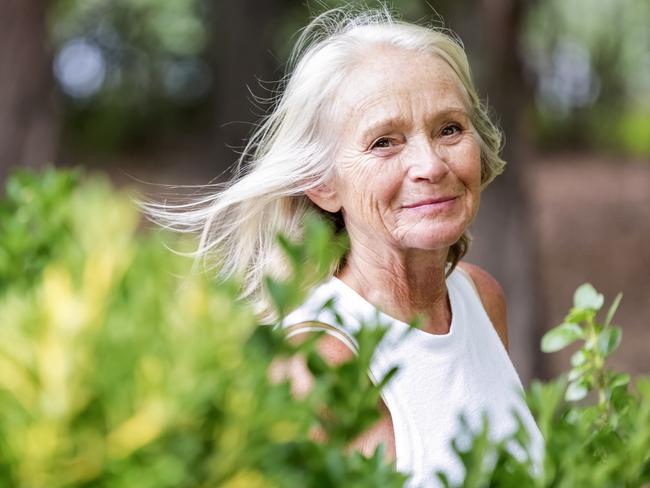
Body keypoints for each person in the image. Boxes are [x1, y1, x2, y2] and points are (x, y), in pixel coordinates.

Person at [146, 7, 544, 487]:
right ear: (322, 185)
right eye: (384, 142)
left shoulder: (482, 298)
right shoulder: (315, 360)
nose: (430, 165)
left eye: (449, 129)